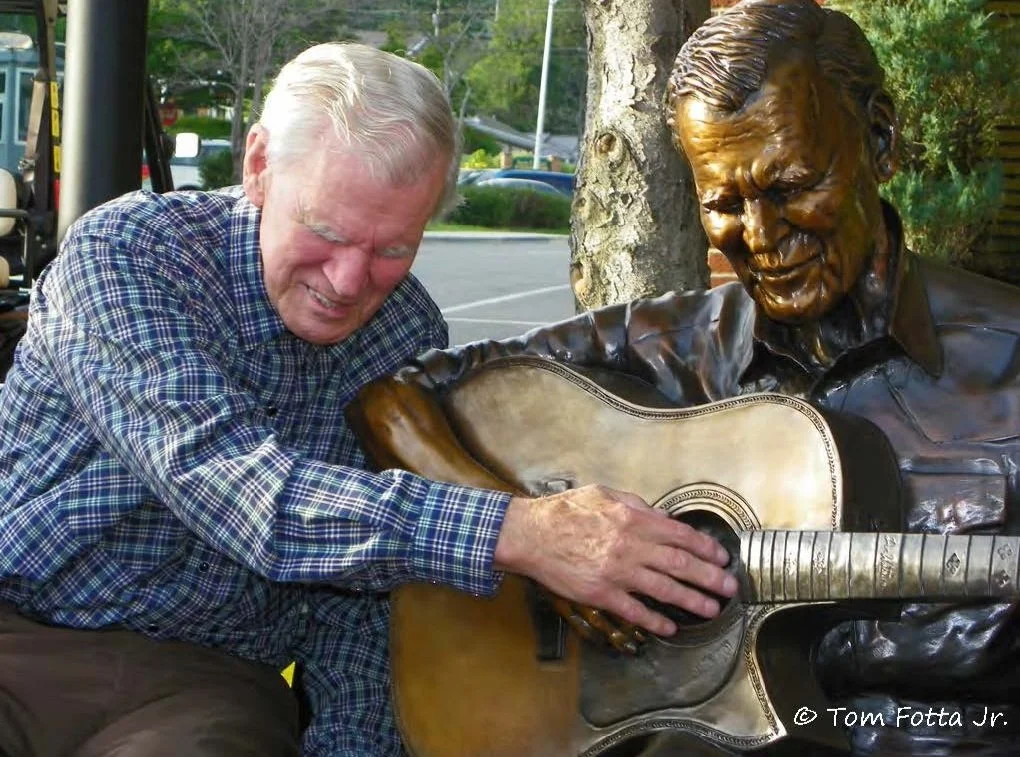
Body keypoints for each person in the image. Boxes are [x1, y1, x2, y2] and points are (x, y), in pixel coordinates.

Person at [0, 42, 735, 756]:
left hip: (207, 683)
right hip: (21, 633)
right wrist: (525, 532)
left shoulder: (406, 330)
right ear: (258, 167)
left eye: (393, 248)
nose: (350, 283)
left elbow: (366, 602)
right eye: (325, 232)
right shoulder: (129, 255)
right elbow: (238, 489)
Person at [351, 1, 1020, 754]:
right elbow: (393, 400)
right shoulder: (670, 344)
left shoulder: (1010, 359)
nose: (762, 239)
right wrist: (534, 536)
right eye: (725, 204)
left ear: (881, 140)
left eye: (794, 184)